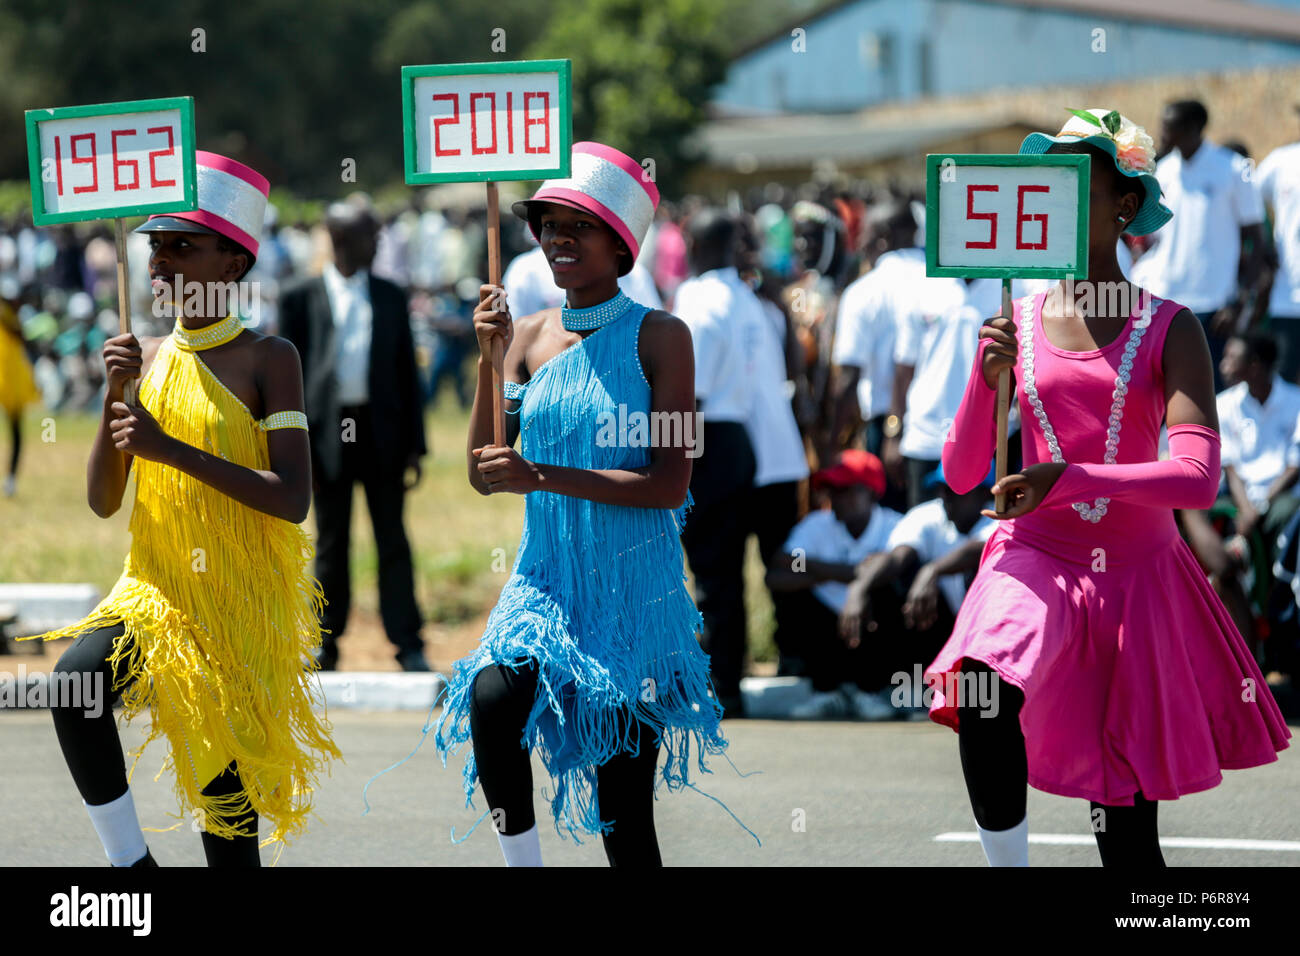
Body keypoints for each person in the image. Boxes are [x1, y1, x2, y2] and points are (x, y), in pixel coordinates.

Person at [930, 109, 1290, 867]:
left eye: (1077, 179)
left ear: (1124, 206)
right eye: (1048, 176)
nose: (1054, 193)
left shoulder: (1172, 326)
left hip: (1137, 581)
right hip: (1032, 555)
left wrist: (1070, 478)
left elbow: (1197, 478)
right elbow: (964, 476)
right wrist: (982, 376)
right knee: (982, 691)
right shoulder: (1012, 321)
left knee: (1127, 842)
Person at [25, 151, 341, 866]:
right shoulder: (141, 357)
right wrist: (115, 394)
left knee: (230, 843)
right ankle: (130, 867)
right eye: (156, 247)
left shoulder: (271, 357)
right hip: (154, 595)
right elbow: (104, 501)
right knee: (75, 682)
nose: (161, 263)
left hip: (235, 620)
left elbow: (292, 499)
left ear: (233, 265)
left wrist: (173, 450)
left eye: (182, 247)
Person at [431, 142, 734, 866]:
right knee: (492, 699)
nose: (558, 240)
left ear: (622, 245)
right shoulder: (525, 336)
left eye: (579, 225)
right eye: (547, 225)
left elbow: (670, 484)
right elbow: (483, 471)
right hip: (544, 584)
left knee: (623, 811)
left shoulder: (664, 338)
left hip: (634, 595)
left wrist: (543, 475)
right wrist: (485, 359)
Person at [279, 198, 430, 672]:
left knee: (393, 540)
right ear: (344, 240)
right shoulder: (299, 296)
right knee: (330, 542)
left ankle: (408, 643)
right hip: (324, 435)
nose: (379, 243)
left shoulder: (389, 294)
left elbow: (407, 373)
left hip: (381, 430)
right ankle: (326, 641)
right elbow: (289, 379)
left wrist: (414, 446)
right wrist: (294, 449)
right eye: (372, 235)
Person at [672, 209, 759, 718]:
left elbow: (690, 393)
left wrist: (670, 456)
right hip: (736, 438)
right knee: (726, 571)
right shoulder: (745, 297)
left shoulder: (698, 298)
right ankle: (729, 680)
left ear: (694, 246)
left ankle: (716, 683)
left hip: (704, 436)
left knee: (708, 569)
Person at [1131, 99, 1269, 392]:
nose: (1163, 132)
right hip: (1167, 304)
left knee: (1214, 397)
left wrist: (1240, 301)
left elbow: (1256, 241)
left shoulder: (1232, 169)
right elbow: (1152, 243)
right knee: (1168, 394)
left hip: (1216, 309)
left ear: (1194, 128)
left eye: (1171, 127)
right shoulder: (1162, 172)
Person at [765, 450, 902, 719]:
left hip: (871, 626)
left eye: (845, 490)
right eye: (832, 490)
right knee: (793, 599)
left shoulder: (893, 526)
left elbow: (893, 568)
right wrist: (842, 573)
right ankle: (827, 691)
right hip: (827, 628)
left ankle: (872, 690)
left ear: (871, 493)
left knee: (890, 594)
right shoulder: (818, 524)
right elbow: (780, 567)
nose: (835, 498)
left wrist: (855, 586)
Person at [1256, 117, 1300, 382]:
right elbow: (1249, 200)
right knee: (1283, 383)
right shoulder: (1281, 161)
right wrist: (1264, 244)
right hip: (1288, 298)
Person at [0, 293, 41, 497]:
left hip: (10, 372)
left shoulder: (7, 305)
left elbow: (19, 335)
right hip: (7, 370)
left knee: (16, 429)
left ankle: (11, 479)